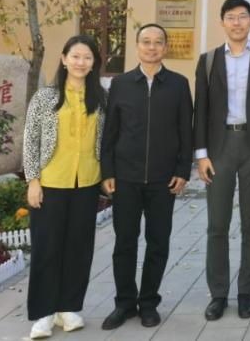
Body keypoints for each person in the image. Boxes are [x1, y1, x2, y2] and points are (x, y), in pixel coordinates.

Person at [192, 0, 250, 321]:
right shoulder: (208, 60)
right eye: (231, 17)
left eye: (243, 16)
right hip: (220, 149)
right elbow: (201, 109)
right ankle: (218, 294)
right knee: (217, 225)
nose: (237, 22)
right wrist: (201, 155)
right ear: (222, 22)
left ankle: (246, 292)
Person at [99, 23, 194, 330]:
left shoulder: (178, 84)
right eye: (146, 41)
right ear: (137, 46)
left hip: (163, 180)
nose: (152, 47)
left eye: (158, 42)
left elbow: (186, 131)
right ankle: (124, 303)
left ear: (165, 47)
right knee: (125, 243)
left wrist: (183, 170)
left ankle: (149, 302)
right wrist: (107, 171)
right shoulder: (121, 84)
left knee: (158, 242)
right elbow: (110, 132)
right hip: (125, 178)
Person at [22, 35, 107, 339]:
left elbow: (106, 139)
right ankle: (44, 313)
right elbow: (30, 140)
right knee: (47, 248)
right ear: (63, 59)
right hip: (51, 182)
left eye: (87, 57)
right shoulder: (45, 97)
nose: (81, 62)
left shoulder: (101, 98)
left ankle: (69, 307)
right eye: (75, 56)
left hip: (87, 182)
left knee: (78, 248)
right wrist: (33, 180)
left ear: (94, 63)